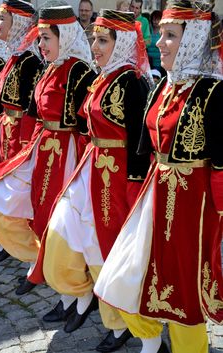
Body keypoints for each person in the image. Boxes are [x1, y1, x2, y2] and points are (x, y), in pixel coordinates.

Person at [94, 1, 223, 353]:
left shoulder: (212, 93)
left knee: (183, 295)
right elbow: (143, 147)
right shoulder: (162, 86)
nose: (160, 42)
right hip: (154, 196)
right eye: (161, 34)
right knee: (118, 278)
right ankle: (151, 342)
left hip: (191, 209)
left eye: (170, 35)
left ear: (194, 40)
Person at [42, 8, 151, 353]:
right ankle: (81, 294)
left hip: (116, 178)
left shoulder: (132, 82)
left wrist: (133, 187)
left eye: (104, 40)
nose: (96, 45)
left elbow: (138, 140)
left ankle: (121, 325)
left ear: (122, 44)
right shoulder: (103, 77)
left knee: (107, 248)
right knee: (69, 232)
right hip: (93, 167)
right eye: (94, 39)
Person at [0, 1, 96, 296]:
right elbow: (36, 114)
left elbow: (88, 126)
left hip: (67, 151)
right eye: (40, 37)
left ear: (65, 37)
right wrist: (28, 151)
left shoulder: (80, 72)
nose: (40, 43)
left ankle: (76, 289)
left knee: (62, 216)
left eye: (47, 38)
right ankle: (47, 268)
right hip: (44, 147)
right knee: (38, 208)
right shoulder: (49, 68)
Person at [0, 0, 43, 263]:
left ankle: (33, 256)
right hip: (6, 129)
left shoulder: (30, 60)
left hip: (19, 133)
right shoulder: (15, 56)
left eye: (2, 19)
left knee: (15, 197)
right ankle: (7, 245)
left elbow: (31, 107)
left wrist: (24, 146)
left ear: (17, 23)